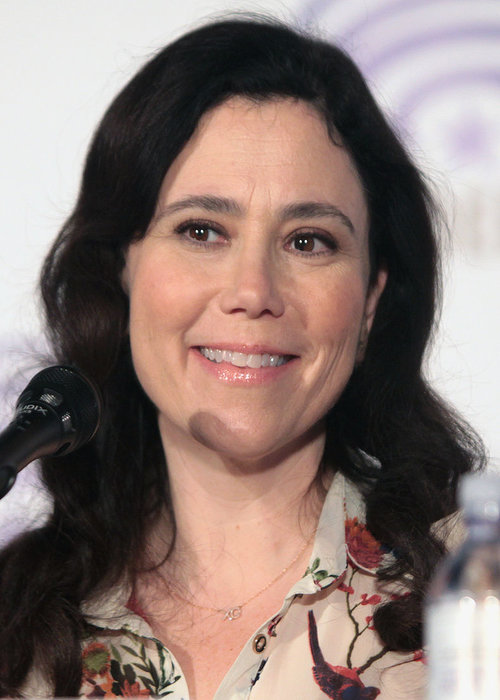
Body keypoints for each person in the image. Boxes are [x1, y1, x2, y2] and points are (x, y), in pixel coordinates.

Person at [0, 15, 485, 699]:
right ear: (122, 272)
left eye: (309, 241)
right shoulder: (16, 627)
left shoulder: (478, 586)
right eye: (202, 230)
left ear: (372, 300)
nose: (253, 291)